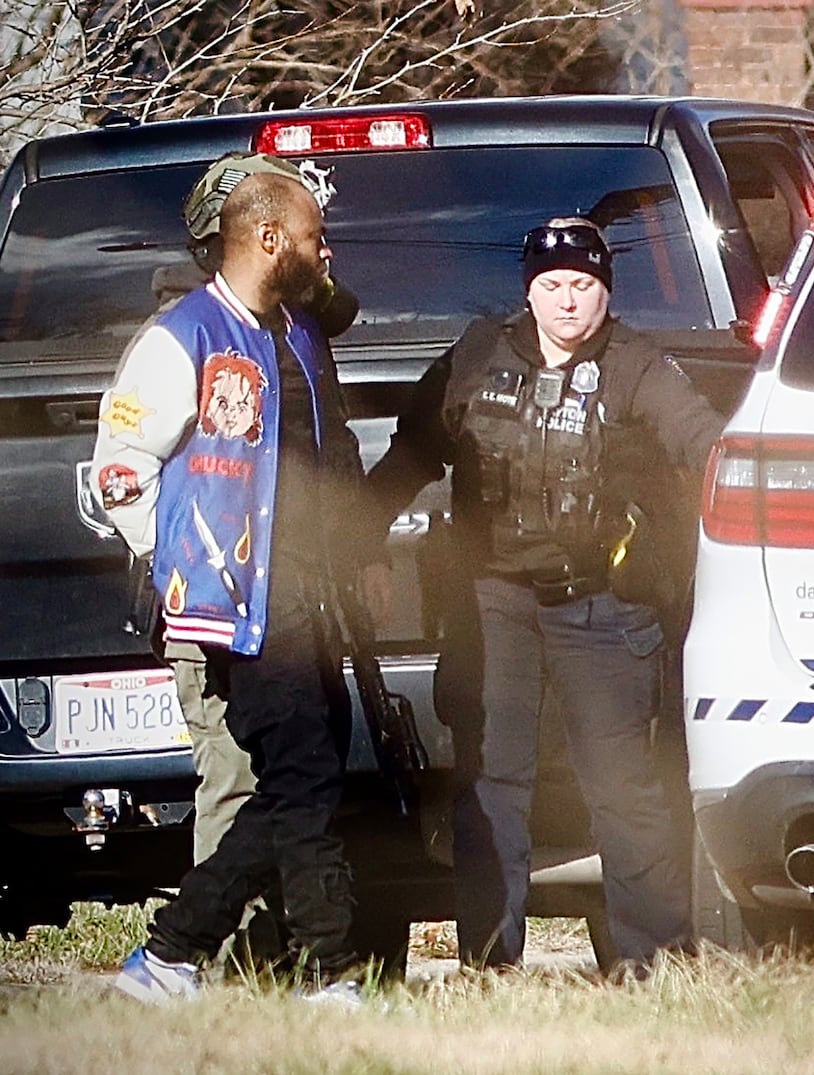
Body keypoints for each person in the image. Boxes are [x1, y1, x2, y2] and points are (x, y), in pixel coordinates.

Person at [362, 217, 724, 972]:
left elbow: (703, 442)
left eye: (583, 286)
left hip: (605, 601)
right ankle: (489, 964)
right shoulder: (477, 354)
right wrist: (351, 537)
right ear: (529, 291)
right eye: (552, 286)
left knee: (626, 787)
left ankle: (653, 966)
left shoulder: (637, 366)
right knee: (491, 784)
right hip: (494, 605)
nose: (567, 302)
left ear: (605, 291)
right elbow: (411, 454)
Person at [93, 153, 390, 1002]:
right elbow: (119, 469)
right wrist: (179, 560)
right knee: (297, 779)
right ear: (268, 238)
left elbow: (330, 458)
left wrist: (359, 554)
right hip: (236, 611)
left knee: (304, 783)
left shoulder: (295, 334)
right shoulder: (181, 337)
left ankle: (170, 957)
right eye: (312, 236)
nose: (324, 252)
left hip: (311, 600)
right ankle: (330, 972)